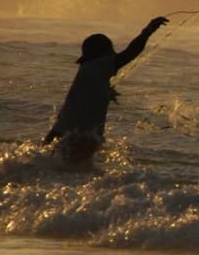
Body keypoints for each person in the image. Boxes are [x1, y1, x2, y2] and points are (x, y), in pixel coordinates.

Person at [44, 16, 169, 163]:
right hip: (80, 136)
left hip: (62, 131)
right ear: (105, 53)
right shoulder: (99, 65)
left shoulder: (88, 69)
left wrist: (107, 93)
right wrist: (148, 31)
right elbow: (130, 53)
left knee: (56, 167)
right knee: (74, 171)